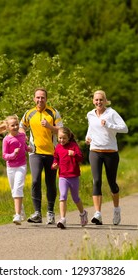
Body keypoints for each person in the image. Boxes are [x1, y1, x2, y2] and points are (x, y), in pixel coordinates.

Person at [19, 88, 63, 224]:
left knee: (50, 183)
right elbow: (21, 126)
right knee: (35, 180)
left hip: (51, 153)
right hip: (35, 152)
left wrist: (50, 126)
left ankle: (50, 212)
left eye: (42, 97)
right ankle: (37, 213)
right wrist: (23, 134)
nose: (40, 100)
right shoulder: (29, 113)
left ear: (46, 99)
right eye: (37, 97)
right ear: (34, 99)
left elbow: (62, 131)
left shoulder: (53, 112)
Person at [85, 90, 128, 225]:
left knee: (112, 183)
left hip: (110, 152)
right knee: (96, 181)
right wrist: (88, 137)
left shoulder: (111, 113)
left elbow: (124, 128)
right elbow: (90, 129)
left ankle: (116, 209)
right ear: (93, 101)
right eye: (96, 100)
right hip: (95, 151)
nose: (98, 102)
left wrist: (109, 125)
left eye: (101, 100)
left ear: (105, 101)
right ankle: (98, 214)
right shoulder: (90, 114)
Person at [0, 115, 32, 225]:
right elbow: (4, 156)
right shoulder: (6, 140)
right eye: (13, 125)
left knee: (18, 188)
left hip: (21, 166)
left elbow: (23, 146)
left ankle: (17, 215)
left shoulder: (22, 135)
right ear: (7, 127)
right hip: (11, 167)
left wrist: (28, 148)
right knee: (14, 190)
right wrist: (13, 154)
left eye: (17, 124)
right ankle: (22, 212)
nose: (16, 127)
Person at [51, 127, 88, 229]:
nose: (62, 140)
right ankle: (63, 219)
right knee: (62, 196)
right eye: (60, 138)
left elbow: (81, 158)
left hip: (73, 176)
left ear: (68, 137)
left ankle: (83, 213)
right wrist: (54, 164)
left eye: (64, 138)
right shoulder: (57, 147)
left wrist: (74, 154)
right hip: (63, 176)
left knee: (75, 197)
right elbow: (56, 158)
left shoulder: (74, 146)